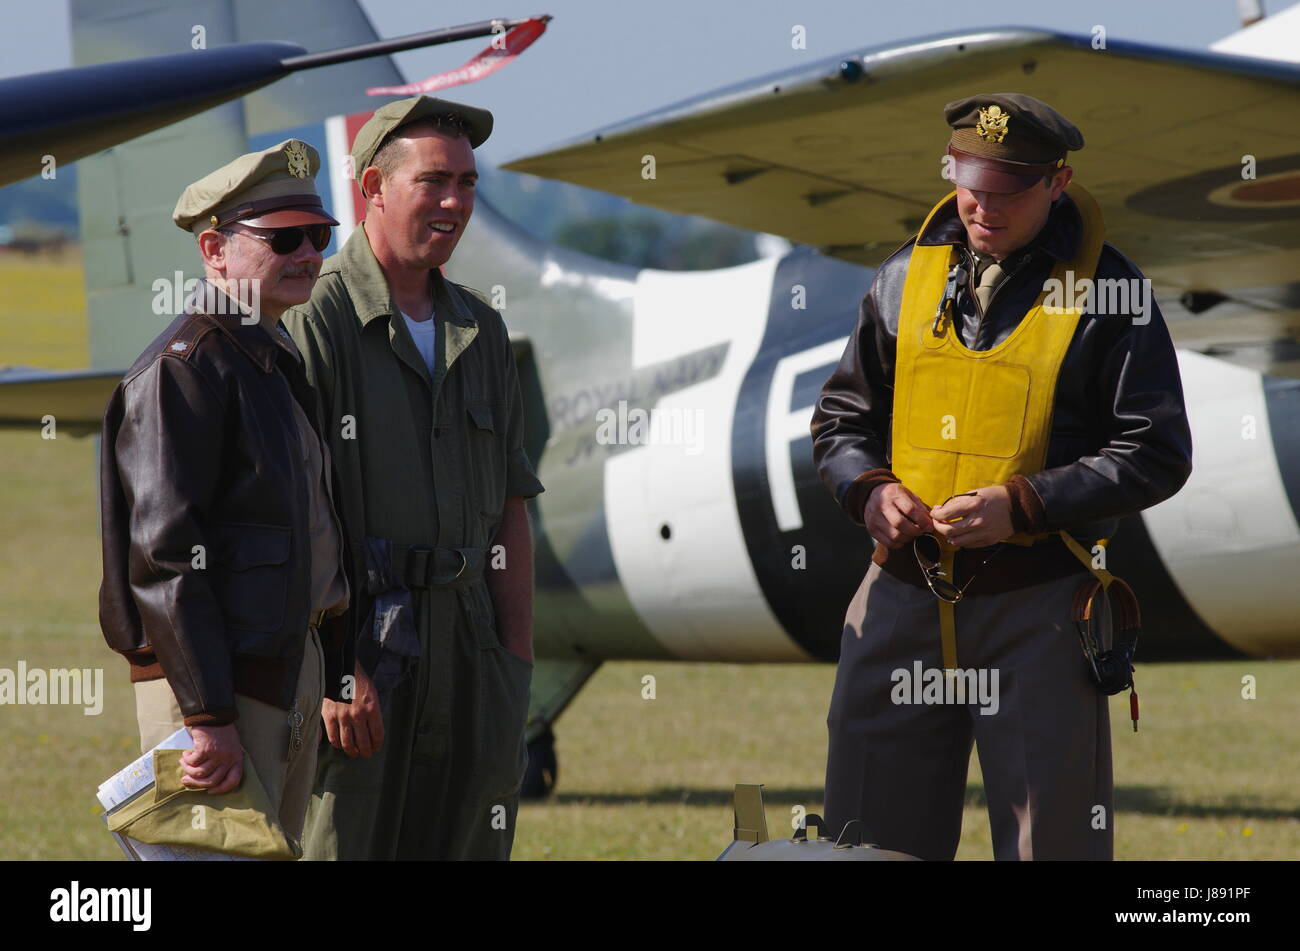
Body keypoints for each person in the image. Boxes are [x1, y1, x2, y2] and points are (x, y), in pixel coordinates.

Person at [811, 93, 1193, 860]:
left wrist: (1024, 504)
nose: (983, 204)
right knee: (864, 839)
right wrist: (869, 491)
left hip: (1040, 609)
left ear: (1059, 182)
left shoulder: (1110, 293)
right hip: (899, 601)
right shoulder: (899, 279)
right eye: (969, 180)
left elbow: (1155, 449)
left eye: (1010, 187)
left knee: (1051, 843)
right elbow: (839, 422)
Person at [283, 95, 545, 860]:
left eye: (467, 183)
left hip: (471, 654)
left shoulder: (482, 329)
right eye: (434, 181)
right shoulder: (314, 319)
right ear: (372, 190)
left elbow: (510, 510)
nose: (456, 202)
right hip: (361, 648)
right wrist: (336, 664)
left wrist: (514, 661)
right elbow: (291, 515)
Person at [99, 140, 353, 848]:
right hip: (221, 684)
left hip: (281, 668)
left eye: (319, 235)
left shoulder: (267, 356)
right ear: (214, 246)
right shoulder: (185, 369)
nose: (308, 252)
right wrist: (208, 715)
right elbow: (166, 557)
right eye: (283, 238)